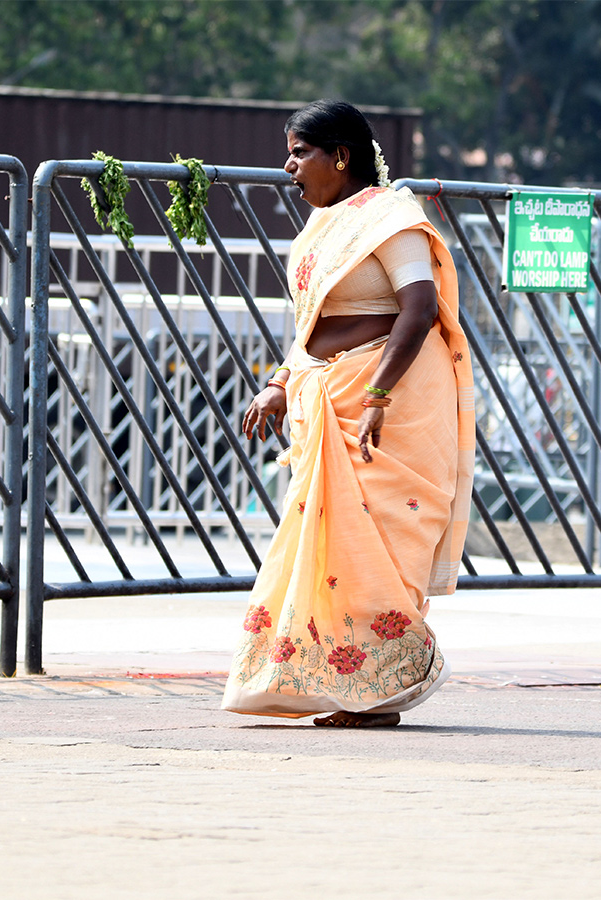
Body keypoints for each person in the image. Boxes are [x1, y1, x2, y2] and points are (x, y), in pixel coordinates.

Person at [222, 100, 475, 726]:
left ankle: (382, 690)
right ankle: (353, 689)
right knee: (333, 549)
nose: (289, 167)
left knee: (382, 544)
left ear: (341, 155)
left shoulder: (393, 218)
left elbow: (418, 310)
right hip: (328, 397)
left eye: (300, 152)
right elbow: (313, 324)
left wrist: (378, 397)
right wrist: (282, 380)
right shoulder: (325, 225)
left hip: (391, 404)